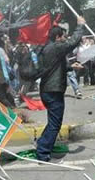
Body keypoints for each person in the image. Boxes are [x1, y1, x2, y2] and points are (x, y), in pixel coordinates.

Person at [36, 17, 85, 162]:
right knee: (55, 124)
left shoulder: (47, 48)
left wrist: (70, 67)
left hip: (48, 89)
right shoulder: (56, 47)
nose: (65, 39)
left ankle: (42, 144)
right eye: (63, 36)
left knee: (53, 122)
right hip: (53, 91)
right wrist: (80, 26)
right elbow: (72, 43)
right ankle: (43, 152)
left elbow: (53, 67)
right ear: (57, 37)